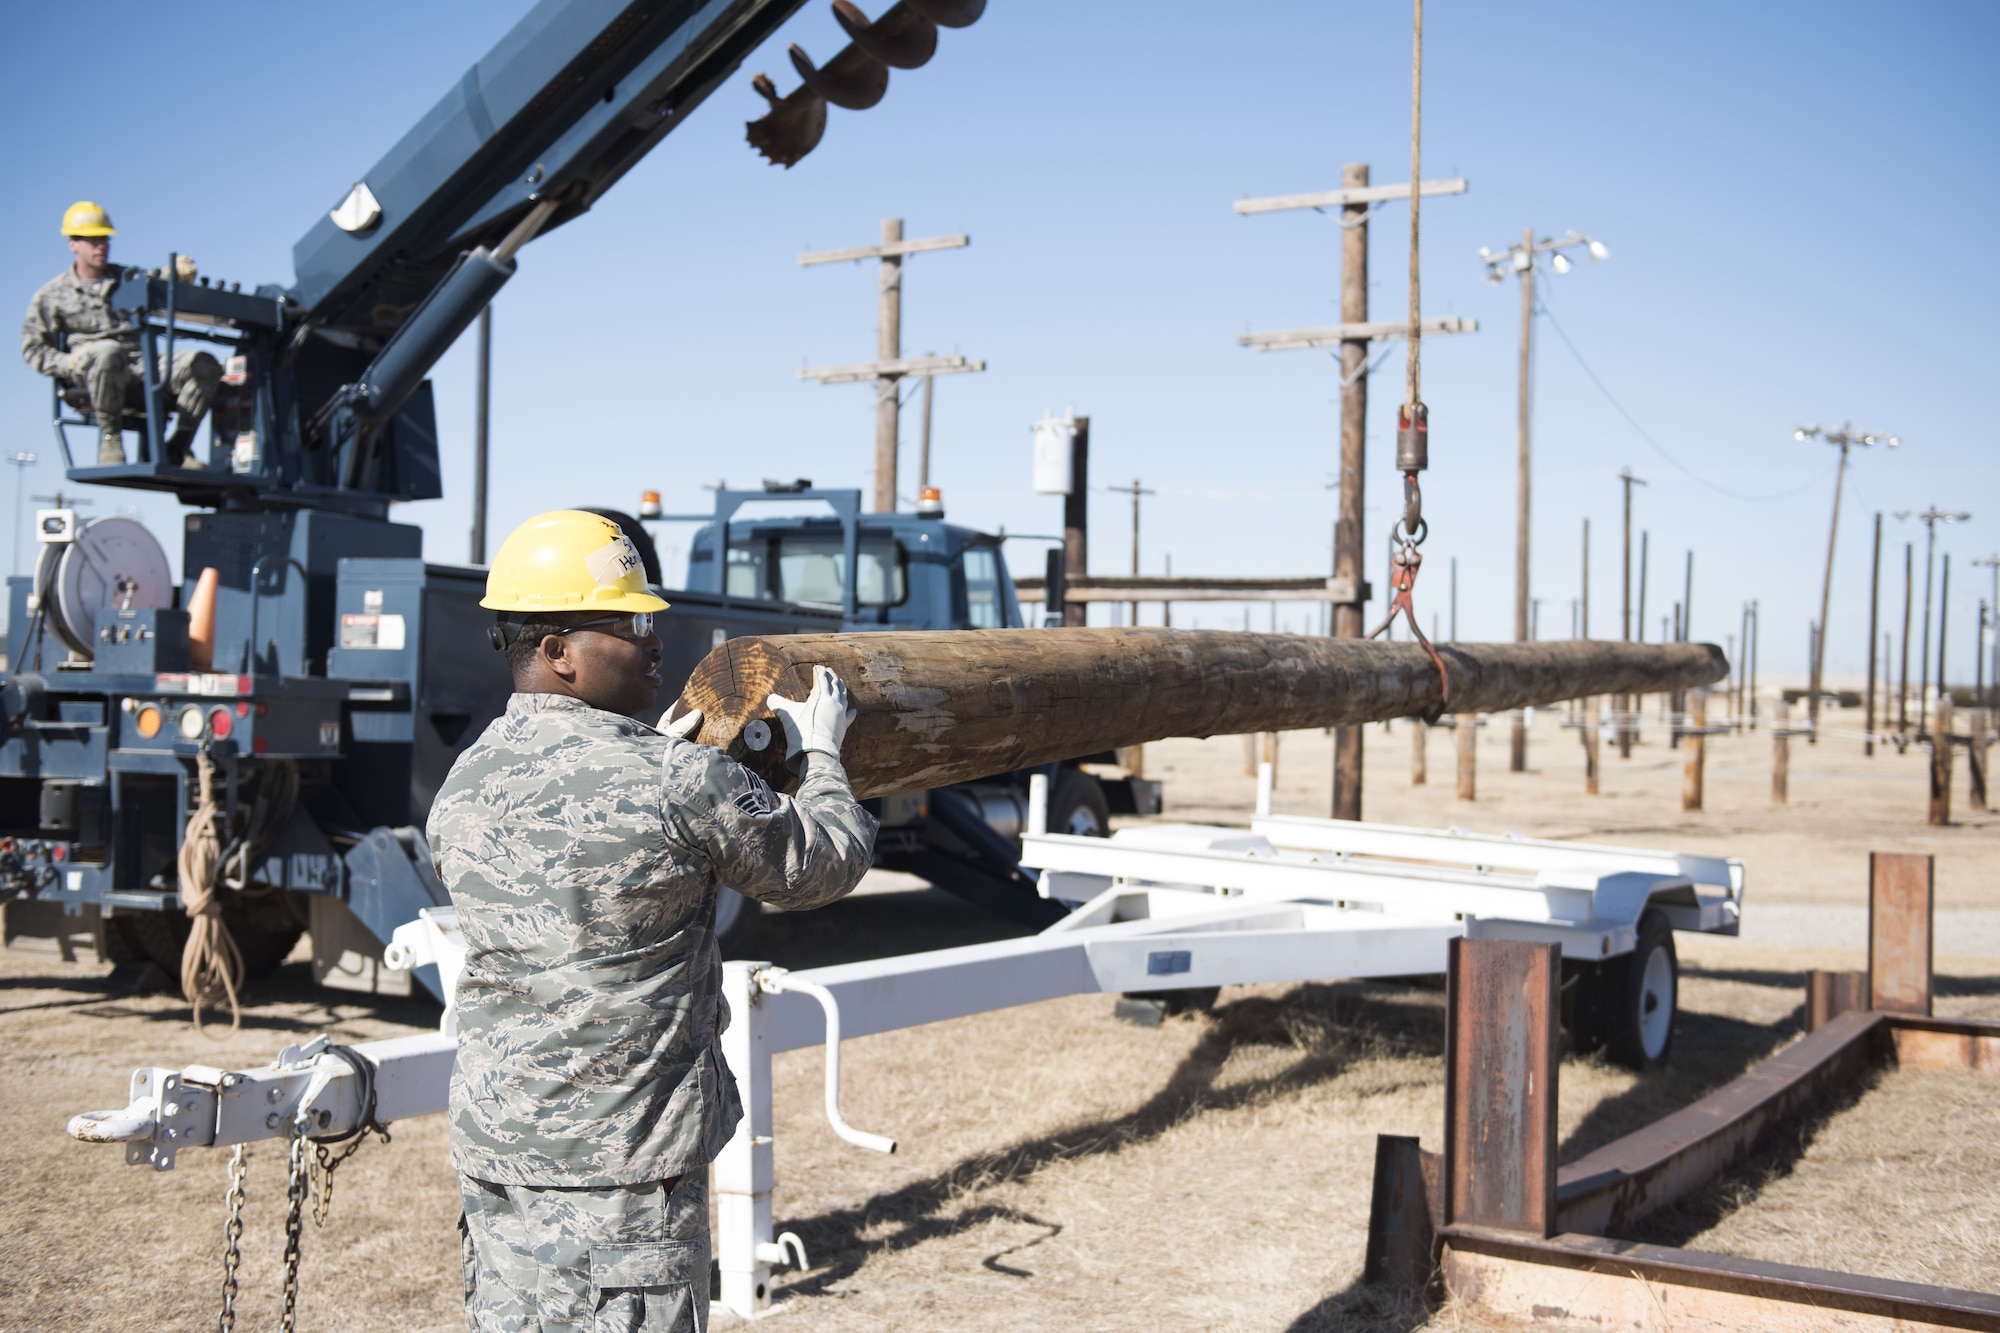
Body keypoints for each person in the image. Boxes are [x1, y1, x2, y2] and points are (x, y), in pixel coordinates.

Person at [427, 509, 877, 1332]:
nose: (654, 641)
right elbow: (825, 860)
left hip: (498, 1158)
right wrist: (822, 754)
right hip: (622, 1179)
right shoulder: (675, 779)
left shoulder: (465, 777)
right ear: (559, 650)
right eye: (630, 623)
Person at [20, 201, 220, 467]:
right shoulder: (52, 295)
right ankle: (111, 437)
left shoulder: (126, 279)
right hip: (92, 367)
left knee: (203, 363)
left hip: (141, 365)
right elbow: (33, 348)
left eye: (104, 238)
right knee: (108, 352)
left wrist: (177, 273)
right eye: (92, 240)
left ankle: (179, 446)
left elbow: (157, 278)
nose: (101, 245)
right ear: (73, 244)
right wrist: (66, 362)